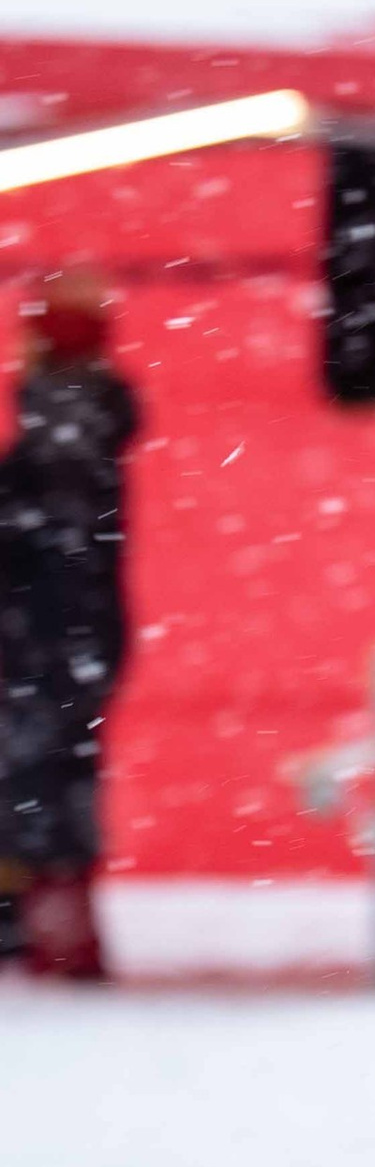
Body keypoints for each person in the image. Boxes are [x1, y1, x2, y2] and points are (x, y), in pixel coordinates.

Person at [0, 272, 139, 984]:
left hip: (39, 642)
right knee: (61, 784)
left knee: (36, 788)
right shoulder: (95, 428)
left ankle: (45, 935)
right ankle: (60, 935)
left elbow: (46, 547)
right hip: (76, 640)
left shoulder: (58, 429)